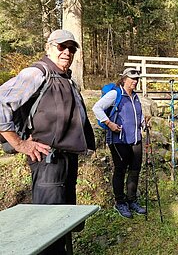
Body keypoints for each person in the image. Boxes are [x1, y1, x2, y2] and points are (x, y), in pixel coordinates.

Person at [0, 29, 96, 254]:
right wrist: (20, 144)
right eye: (61, 47)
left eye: (71, 48)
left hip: (66, 159)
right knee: (48, 226)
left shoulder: (65, 78)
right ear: (48, 48)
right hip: (47, 161)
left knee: (64, 222)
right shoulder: (37, 73)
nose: (67, 52)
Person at [92, 67, 147, 218]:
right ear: (124, 79)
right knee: (120, 170)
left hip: (135, 139)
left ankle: (132, 200)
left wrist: (143, 123)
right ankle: (120, 202)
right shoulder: (115, 94)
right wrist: (109, 123)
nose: (135, 82)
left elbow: (138, 115)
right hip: (119, 140)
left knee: (135, 170)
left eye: (137, 79)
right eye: (132, 79)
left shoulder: (135, 96)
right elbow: (97, 108)